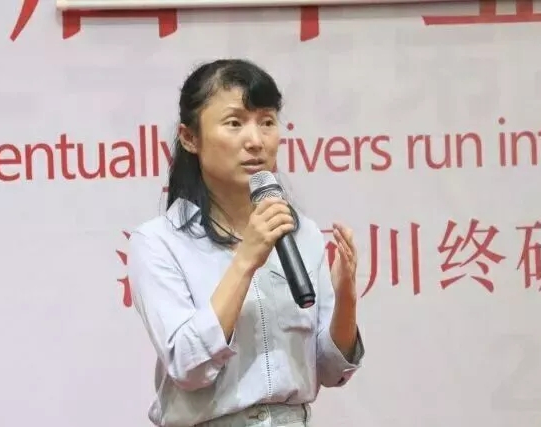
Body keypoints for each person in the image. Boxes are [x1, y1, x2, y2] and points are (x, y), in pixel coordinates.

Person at [127, 58, 365, 427]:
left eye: (267, 122)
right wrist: (245, 260)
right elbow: (188, 367)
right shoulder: (159, 242)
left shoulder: (299, 233)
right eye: (235, 123)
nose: (255, 141)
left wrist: (346, 297)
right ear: (190, 138)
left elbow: (333, 370)